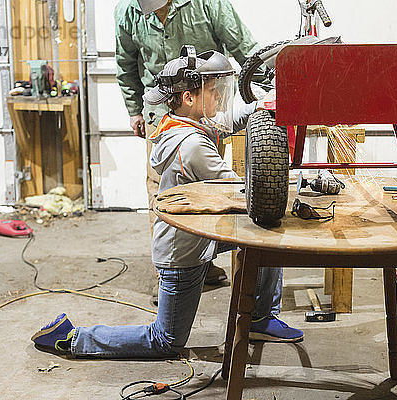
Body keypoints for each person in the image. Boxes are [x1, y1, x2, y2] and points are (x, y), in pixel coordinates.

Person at [31, 48, 303, 358]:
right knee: (164, 341)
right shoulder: (192, 144)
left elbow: (227, 121)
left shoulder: (181, 122)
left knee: (266, 241)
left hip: (199, 238)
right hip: (182, 253)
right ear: (189, 97)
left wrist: (262, 105)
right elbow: (241, 191)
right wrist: (290, 190)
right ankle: (72, 337)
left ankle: (259, 318)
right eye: (213, 91)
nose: (219, 98)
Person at [114, 0, 260, 284]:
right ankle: (169, 273)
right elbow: (126, 64)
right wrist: (134, 110)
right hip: (160, 115)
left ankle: (201, 262)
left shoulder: (209, 4)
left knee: (207, 190)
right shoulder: (127, 11)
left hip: (206, 110)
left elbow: (244, 47)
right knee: (162, 193)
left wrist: (268, 92)